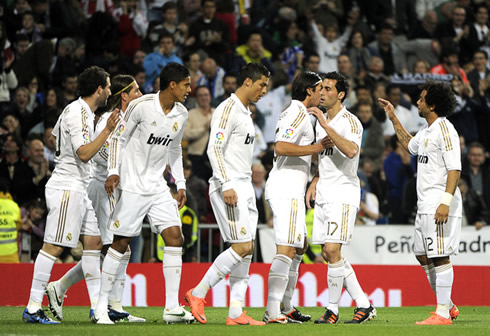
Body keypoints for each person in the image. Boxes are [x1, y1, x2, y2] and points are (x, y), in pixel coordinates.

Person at [94, 63, 194, 325]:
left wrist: (180, 183)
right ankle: (102, 307)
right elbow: (117, 139)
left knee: (175, 238)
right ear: (172, 85)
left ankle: (172, 307)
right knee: (121, 243)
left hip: (158, 186)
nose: (189, 89)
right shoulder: (142, 106)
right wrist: (113, 171)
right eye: (186, 84)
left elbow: (175, 150)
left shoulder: (181, 113)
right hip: (133, 184)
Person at [22, 66, 119, 324]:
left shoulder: (76, 110)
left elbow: (55, 138)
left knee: (94, 243)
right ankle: (32, 307)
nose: (110, 91)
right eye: (108, 86)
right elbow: (84, 153)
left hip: (79, 187)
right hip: (68, 187)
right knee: (53, 246)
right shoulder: (79, 113)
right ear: (99, 89)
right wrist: (107, 130)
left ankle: (97, 310)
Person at [45, 75, 145, 323]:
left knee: (115, 247)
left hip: (115, 188)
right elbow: (99, 152)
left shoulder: (126, 120)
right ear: (124, 95)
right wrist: (118, 168)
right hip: (102, 188)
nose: (140, 96)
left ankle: (66, 288)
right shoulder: (108, 122)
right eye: (136, 91)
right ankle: (110, 305)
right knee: (114, 247)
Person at [184, 63, 270, 326]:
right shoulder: (227, 108)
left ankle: (235, 311)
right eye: (261, 85)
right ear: (247, 82)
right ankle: (197, 293)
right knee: (242, 246)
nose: (264, 91)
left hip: (243, 185)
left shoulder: (246, 112)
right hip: (229, 186)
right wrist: (226, 183)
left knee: (248, 249)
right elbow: (214, 149)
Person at [379, 80, 462, 325]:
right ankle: (448, 306)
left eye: (422, 98)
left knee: (439, 256)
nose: (417, 102)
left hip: (439, 202)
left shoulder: (445, 130)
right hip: (425, 204)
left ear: (433, 104)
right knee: (422, 255)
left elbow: (454, 168)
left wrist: (445, 202)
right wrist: (393, 118)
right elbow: (408, 144)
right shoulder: (427, 131)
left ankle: (443, 313)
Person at [306, 72, 376, 324]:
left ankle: (332, 310)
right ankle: (365, 304)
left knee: (333, 249)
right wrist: (315, 179)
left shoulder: (351, 121)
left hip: (344, 193)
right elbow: (322, 154)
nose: (322, 92)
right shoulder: (320, 118)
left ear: (341, 94)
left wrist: (325, 126)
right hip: (325, 192)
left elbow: (350, 150)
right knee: (328, 253)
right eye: (321, 88)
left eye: (327, 88)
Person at [263, 71, 327, 324]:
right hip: (285, 188)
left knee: (299, 246)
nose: (323, 93)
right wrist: (317, 148)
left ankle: (287, 306)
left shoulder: (302, 114)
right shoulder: (297, 112)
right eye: (320, 88)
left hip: (293, 189)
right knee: (288, 246)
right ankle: (272, 310)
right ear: (309, 90)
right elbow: (280, 146)